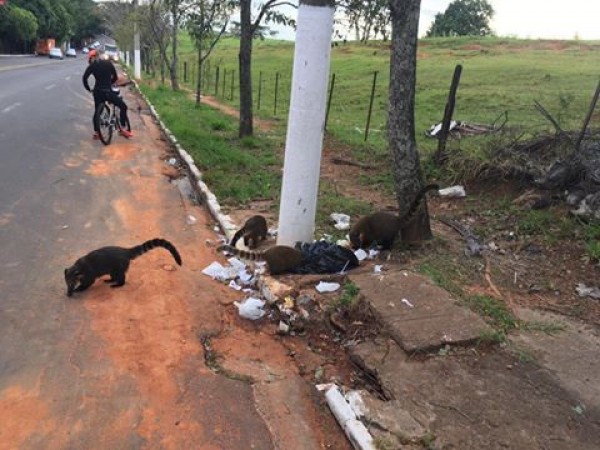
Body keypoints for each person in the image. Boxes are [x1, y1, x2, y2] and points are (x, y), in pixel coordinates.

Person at [82, 49, 133, 139]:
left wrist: (89, 89)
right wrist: (110, 82)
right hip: (108, 91)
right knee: (123, 106)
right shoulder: (108, 63)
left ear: (92, 58)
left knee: (98, 111)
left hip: (97, 92)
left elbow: (84, 78)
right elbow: (115, 77)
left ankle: (97, 132)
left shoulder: (92, 66)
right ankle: (123, 127)